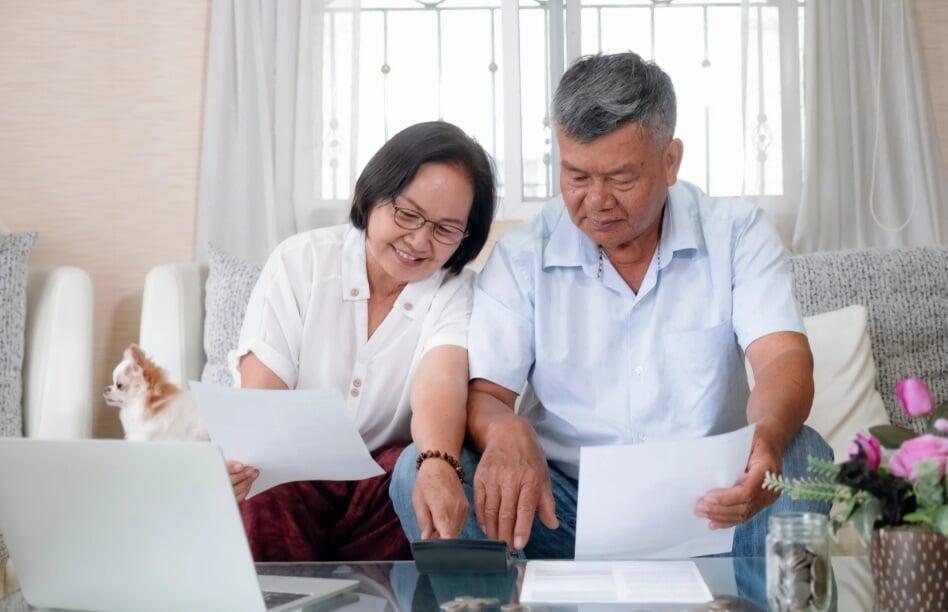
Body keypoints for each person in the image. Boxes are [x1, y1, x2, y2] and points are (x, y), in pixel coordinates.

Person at [390, 52, 831, 558]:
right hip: (560, 511)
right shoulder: (524, 255)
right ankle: (500, 594)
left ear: (670, 161)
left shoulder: (736, 233)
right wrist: (504, 428)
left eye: (621, 179)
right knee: (419, 470)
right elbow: (485, 394)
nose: (597, 201)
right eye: (577, 176)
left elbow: (782, 359)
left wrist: (767, 437)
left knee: (802, 456)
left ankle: (741, 594)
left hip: (713, 503)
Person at [227, 121, 495, 561]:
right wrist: (242, 461)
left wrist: (438, 463)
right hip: (292, 476)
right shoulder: (301, 261)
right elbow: (262, 399)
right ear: (371, 195)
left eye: (446, 229)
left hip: (379, 489)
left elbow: (441, 383)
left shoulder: (457, 291)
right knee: (261, 489)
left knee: (413, 473)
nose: (419, 241)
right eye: (407, 214)